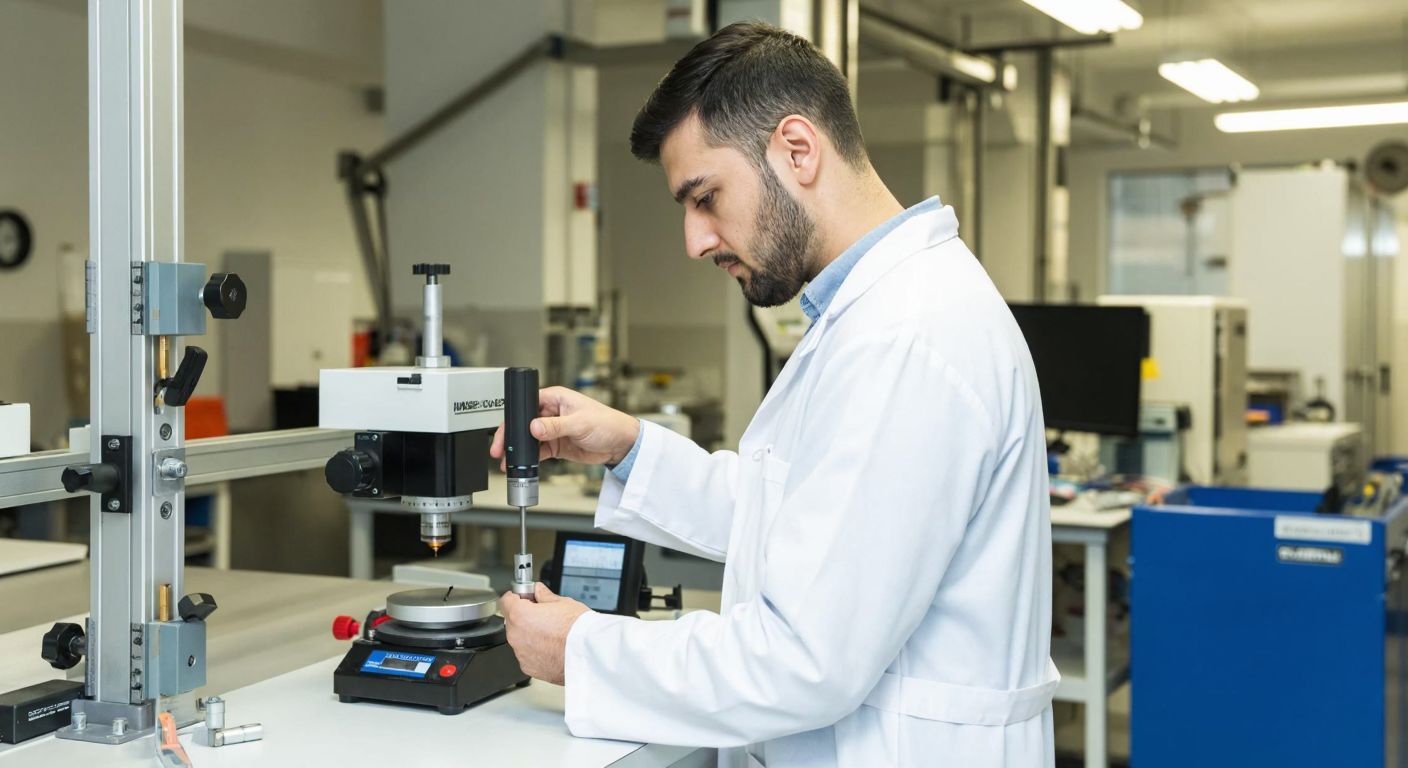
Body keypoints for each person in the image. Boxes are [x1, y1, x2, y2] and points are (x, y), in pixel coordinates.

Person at [491, 21, 1057, 768]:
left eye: (706, 196)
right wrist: (631, 449)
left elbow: (805, 659)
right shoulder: (870, 313)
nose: (694, 241)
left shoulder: (908, 337)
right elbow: (801, 519)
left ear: (798, 149)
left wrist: (585, 649)